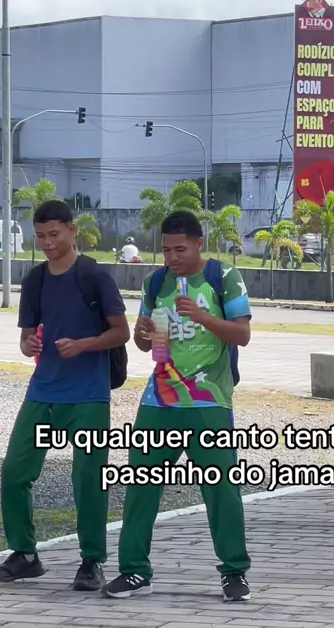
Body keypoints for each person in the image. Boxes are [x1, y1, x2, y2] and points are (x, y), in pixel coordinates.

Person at [101, 210, 252, 603]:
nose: (173, 257)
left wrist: (201, 315)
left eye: (180, 249)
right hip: (159, 399)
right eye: (166, 250)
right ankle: (134, 571)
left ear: (199, 244)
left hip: (209, 399)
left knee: (220, 487)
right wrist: (143, 334)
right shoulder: (155, 282)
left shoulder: (224, 277)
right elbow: (146, 345)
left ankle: (234, 572)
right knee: (141, 484)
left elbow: (242, 334)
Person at [0, 200, 130, 591]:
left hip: (89, 395)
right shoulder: (35, 280)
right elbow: (25, 338)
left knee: (88, 477)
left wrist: (84, 345)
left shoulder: (94, 276)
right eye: (41, 236)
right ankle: (25, 555)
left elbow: (121, 332)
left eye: (54, 234)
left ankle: (92, 562)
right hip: (43, 391)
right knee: (15, 471)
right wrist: (28, 344)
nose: (48, 243)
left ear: (71, 231)